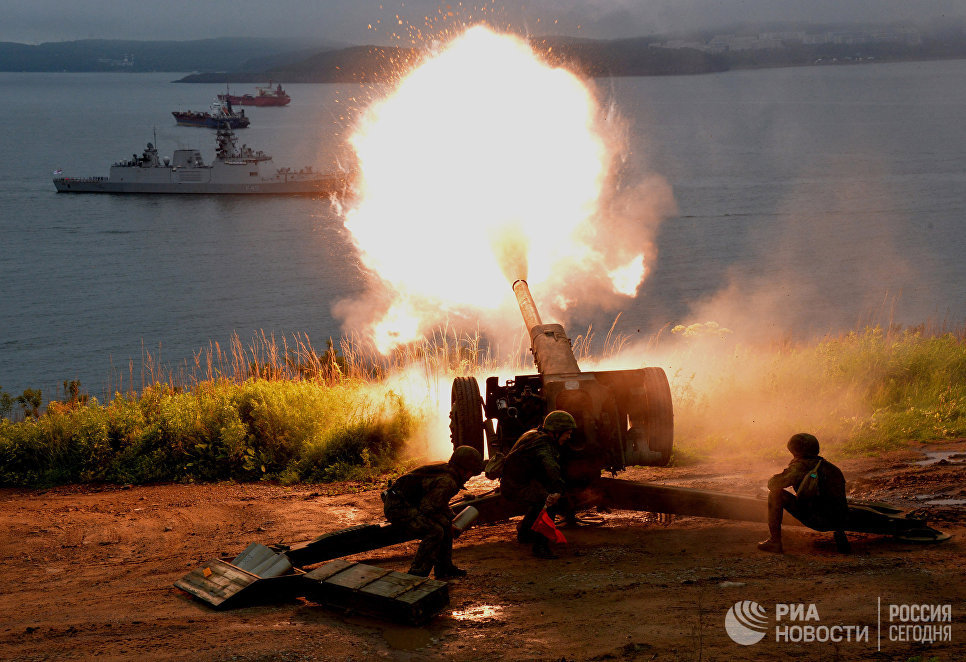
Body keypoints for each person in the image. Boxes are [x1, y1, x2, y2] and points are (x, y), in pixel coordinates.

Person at [383, 445, 484, 579]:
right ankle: (417, 575)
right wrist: (449, 524)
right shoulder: (448, 482)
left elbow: (438, 504)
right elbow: (428, 508)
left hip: (407, 503)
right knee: (435, 531)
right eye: (471, 472)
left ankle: (444, 568)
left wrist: (452, 518)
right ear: (463, 469)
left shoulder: (447, 471)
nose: (470, 477)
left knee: (447, 524)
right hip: (398, 508)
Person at [500, 410, 577, 559]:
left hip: (517, 483)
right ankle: (540, 547)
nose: (569, 437)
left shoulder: (535, 433)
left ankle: (525, 534)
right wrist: (558, 490)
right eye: (567, 433)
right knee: (549, 501)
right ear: (556, 432)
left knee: (540, 497)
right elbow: (550, 467)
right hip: (515, 487)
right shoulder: (543, 444)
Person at [758, 433, 851, 554]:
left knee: (775, 494)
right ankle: (840, 534)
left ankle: (775, 541)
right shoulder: (832, 468)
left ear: (796, 451)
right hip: (840, 521)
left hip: (818, 520)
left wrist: (790, 468)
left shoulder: (801, 466)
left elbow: (773, 484)